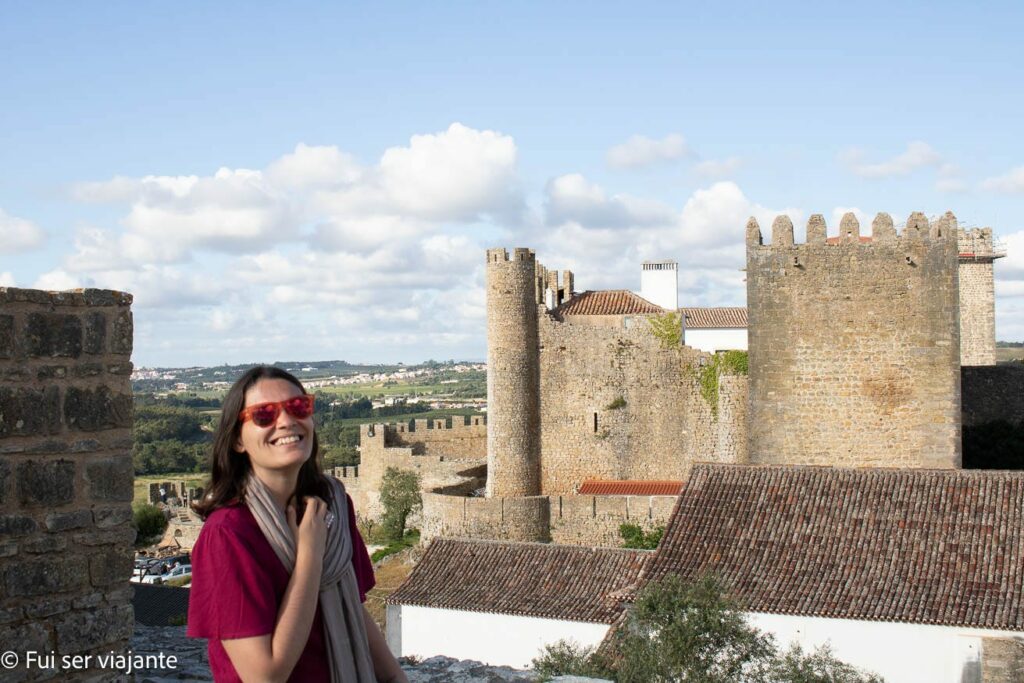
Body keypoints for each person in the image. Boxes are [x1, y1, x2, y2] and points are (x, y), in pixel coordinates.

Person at [187, 366, 408, 683]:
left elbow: (353, 609)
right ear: (237, 440)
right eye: (263, 415)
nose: (287, 421)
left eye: (298, 407)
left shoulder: (333, 504)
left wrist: (396, 678)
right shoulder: (228, 534)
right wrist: (309, 557)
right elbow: (265, 677)